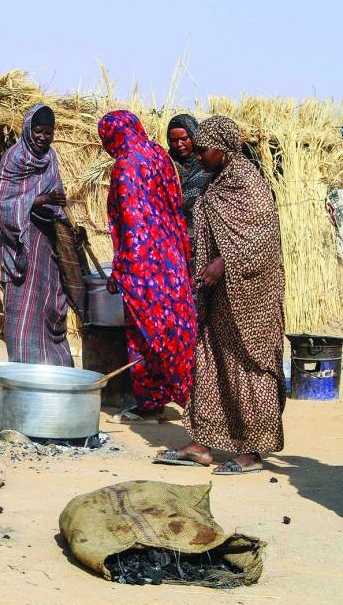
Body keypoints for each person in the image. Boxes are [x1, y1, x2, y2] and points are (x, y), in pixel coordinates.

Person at [155, 115, 286, 475]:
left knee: (247, 368)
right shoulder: (219, 181)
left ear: (225, 149)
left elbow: (265, 239)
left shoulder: (248, 183)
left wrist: (224, 262)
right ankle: (202, 444)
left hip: (250, 297)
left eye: (202, 150)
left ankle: (250, 451)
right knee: (210, 361)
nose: (197, 157)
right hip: (219, 296)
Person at [98, 110, 196, 421]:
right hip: (173, 260)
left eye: (106, 139)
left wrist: (122, 269)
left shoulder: (127, 166)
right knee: (176, 330)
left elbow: (133, 224)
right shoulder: (157, 154)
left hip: (145, 268)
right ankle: (153, 401)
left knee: (153, 335)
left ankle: (191, 398)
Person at [0, 104, 73, 365]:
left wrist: (61, 215)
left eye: (48, 132)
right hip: (21, 245)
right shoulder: (14, 157)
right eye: (38, 131)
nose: (43, 137)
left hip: (46, 244)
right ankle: (25, 368)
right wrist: (40, 199)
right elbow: (3, 204)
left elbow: (56, 199)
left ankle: (54, 367)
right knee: (23, 310)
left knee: (50, 306)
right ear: (28, 129)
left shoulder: (51, 158)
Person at [166, 114, 213, 250]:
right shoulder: (165, 165)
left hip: (204, 244)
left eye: (184, 139)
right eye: (174, 140)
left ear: (193, 136)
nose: (179, 144)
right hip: (173, 242)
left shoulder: (208, 164)